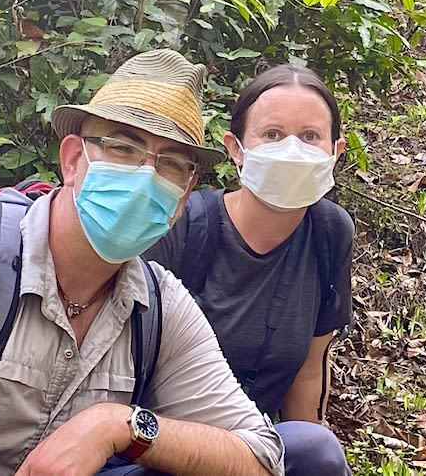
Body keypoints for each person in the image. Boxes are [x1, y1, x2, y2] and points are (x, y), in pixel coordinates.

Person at [0, 49, 284, 476]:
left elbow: (262, 458)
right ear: (73, 160)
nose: (146, 176)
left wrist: (121, 426)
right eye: (124, 148)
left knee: (308, 449)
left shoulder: (159, 307)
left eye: (171, 165)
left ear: (183, 196)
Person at [145, 64, 354, 476]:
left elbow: (309, 370)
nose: (291, 150)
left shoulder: (329, 232)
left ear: (335, 151)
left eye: (310, 136)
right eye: (272, 135)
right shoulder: (183, 226)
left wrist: (312, 455)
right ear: (236, 148)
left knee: (316, 450)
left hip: (254, 453)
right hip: (156, 447)